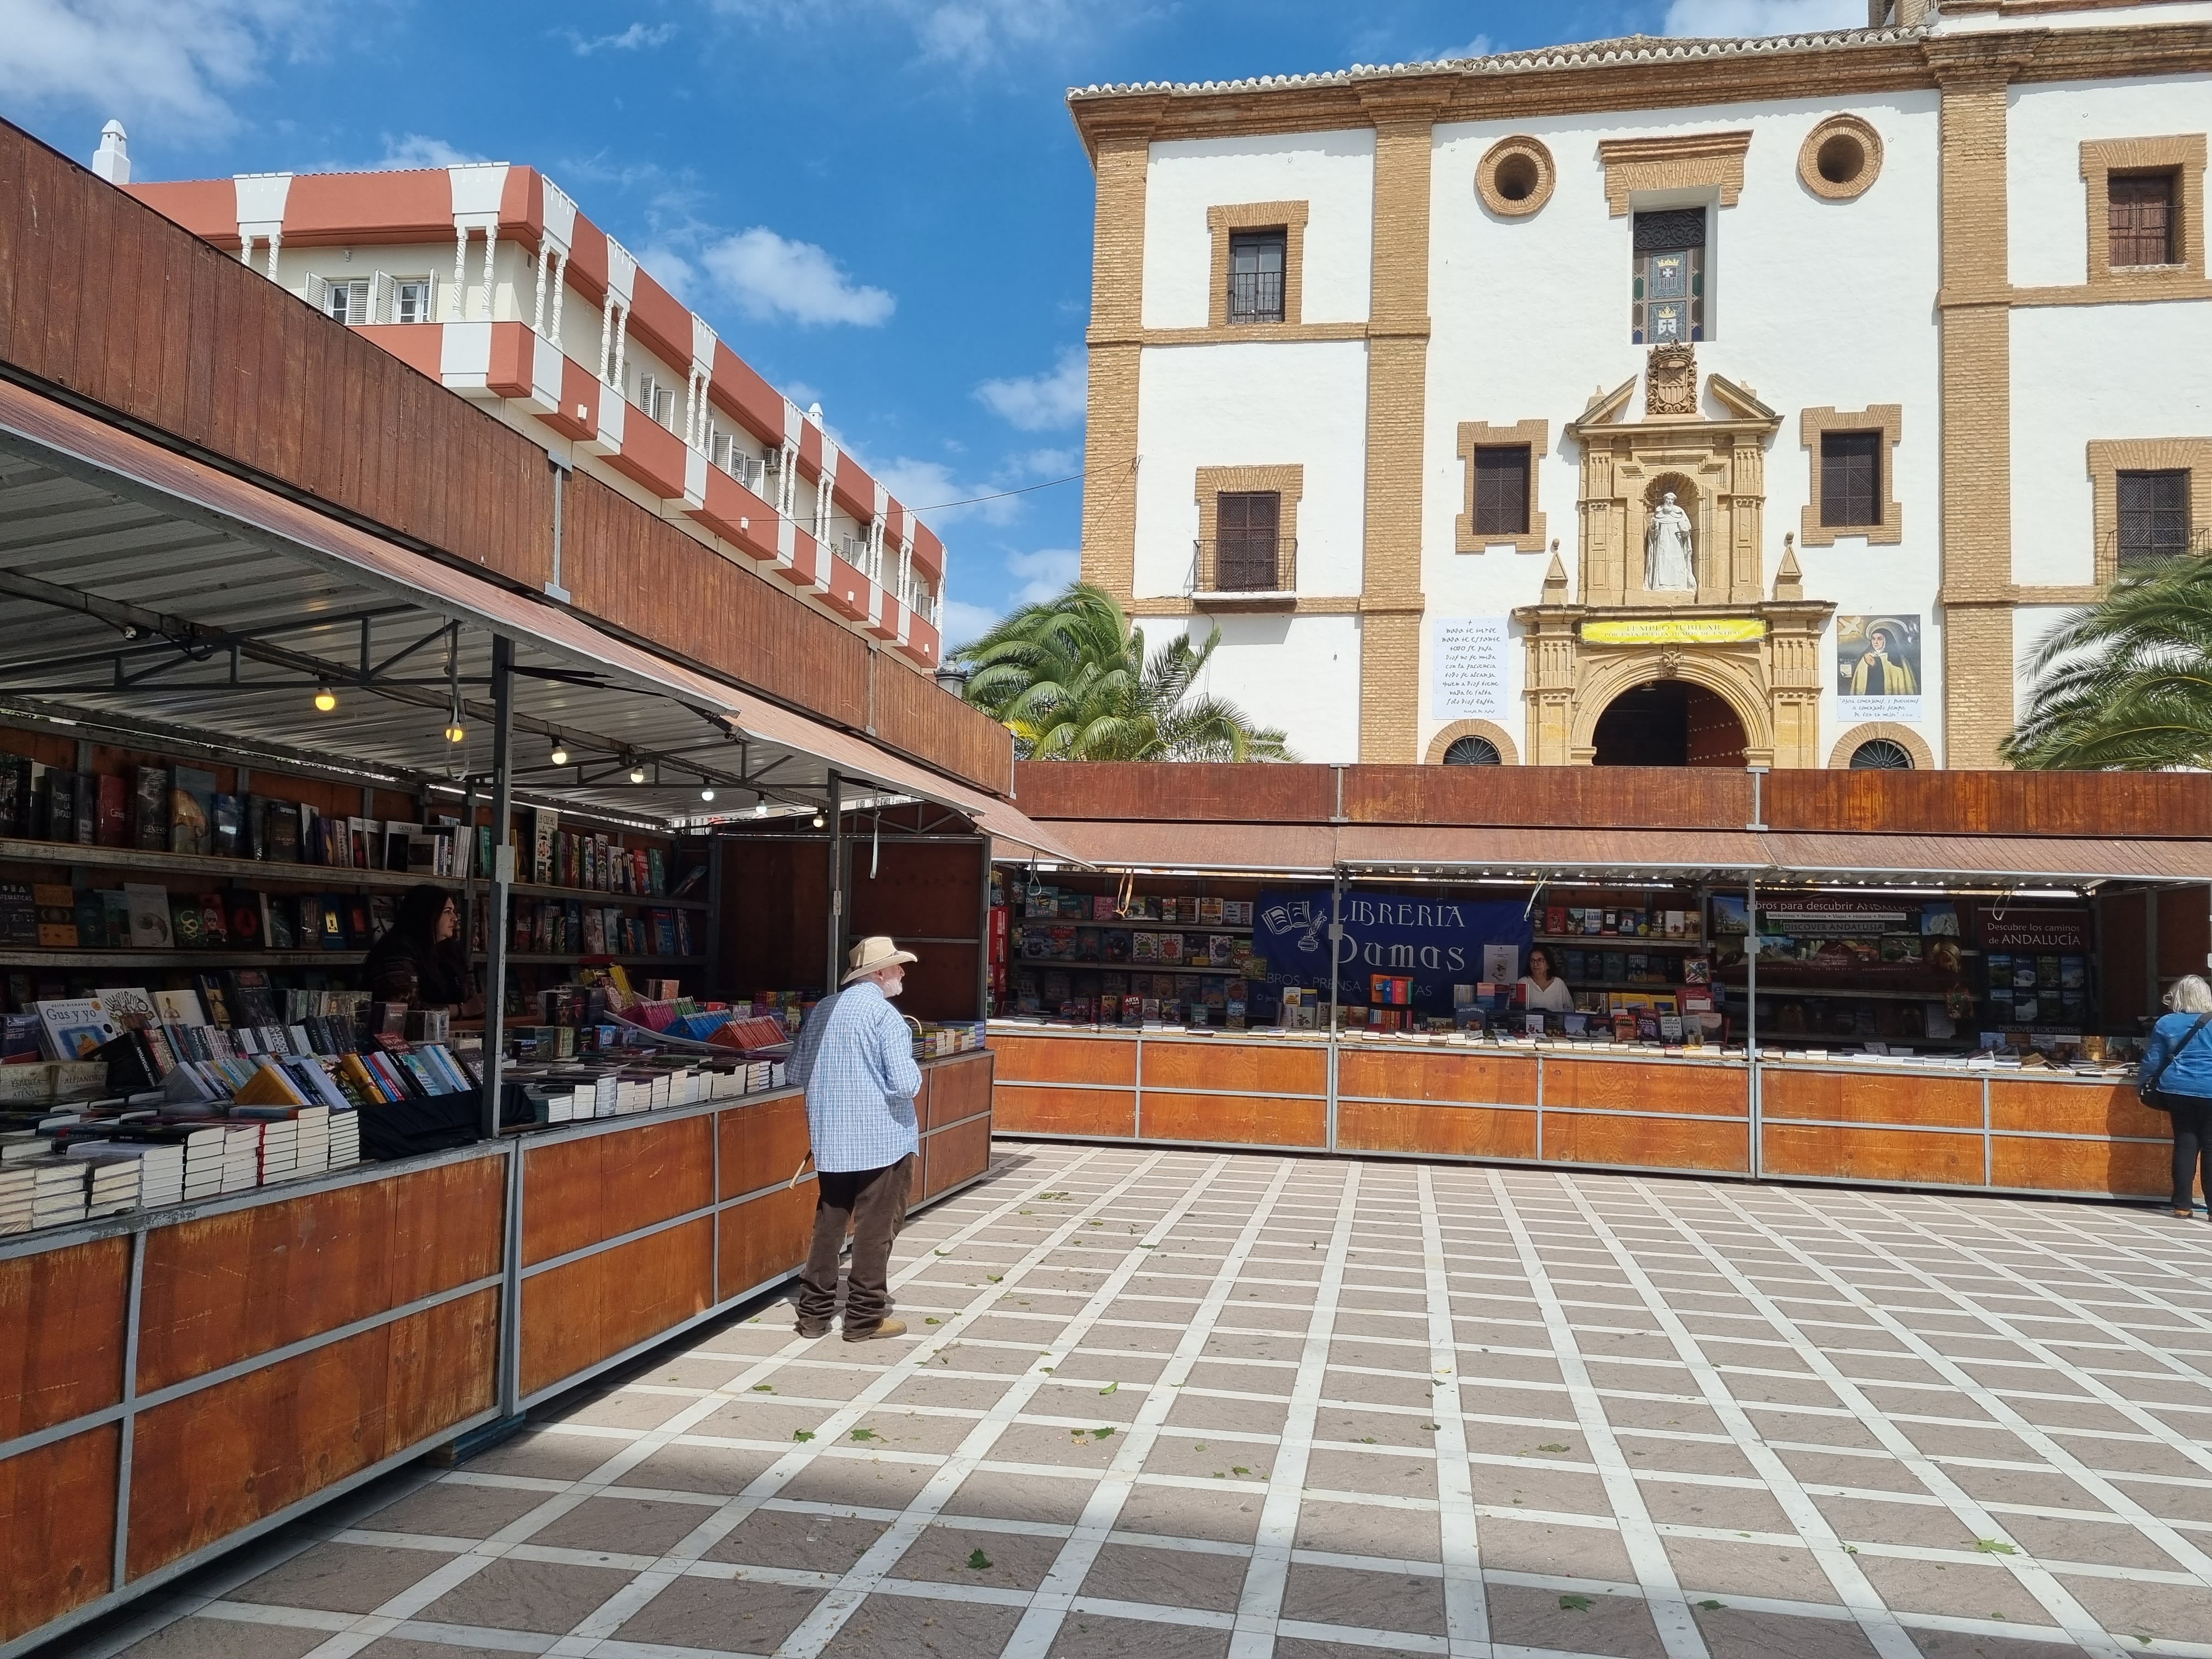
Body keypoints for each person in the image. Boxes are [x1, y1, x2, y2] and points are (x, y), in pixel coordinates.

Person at [788, 935, 925, 1341]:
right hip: (883, 1139)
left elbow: (796, 1071)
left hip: (832, 1139)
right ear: (879, 973)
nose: (902, 973)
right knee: (875, 1229)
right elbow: (905, 1085)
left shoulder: (825, 1010)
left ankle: (813, 1316)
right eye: (897, 966)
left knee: (829, 1225)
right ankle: (865, 1318)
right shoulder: (886, 1017)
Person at [2142, 975, 2212, 1218]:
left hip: (2177, 1089)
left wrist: (2143, 1084)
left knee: (2185, 1143)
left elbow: (2154, 1060)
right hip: (2210, 1090)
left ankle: (2182, 1205)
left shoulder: (2167, 1023)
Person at [359, 883, 481, 1013]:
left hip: (457, 1030)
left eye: (453, 911)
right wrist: (463, 1010)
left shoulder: (453, 950)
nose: (455, 918)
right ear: (428, 915)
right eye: (447, 912)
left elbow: (472, 997)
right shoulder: (395, 950)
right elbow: (405, 1008)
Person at [1850, 624, 1918, 697]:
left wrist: (1875, 666)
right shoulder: (1867, 657)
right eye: (1873, 639)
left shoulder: (1899, 660)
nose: (1875, 642)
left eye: (1879, 639)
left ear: (1886, 640)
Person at [1517, 944, 1575, 1014]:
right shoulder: (1522, 983)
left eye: (1540, 960)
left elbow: (1569, 1011)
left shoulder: (1559, 984)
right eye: (1532, 961)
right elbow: (1514, 1012)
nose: (1535, 964)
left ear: (1548, 965)